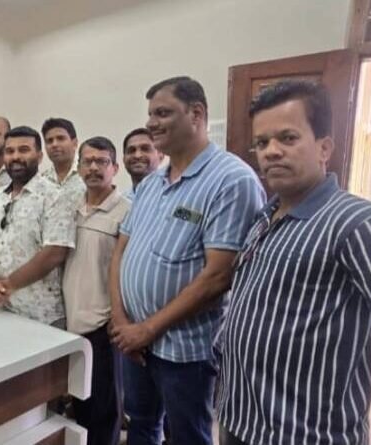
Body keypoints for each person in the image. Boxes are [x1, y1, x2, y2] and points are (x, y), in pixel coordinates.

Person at [218, 80, 371, 445]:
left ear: (325, 148)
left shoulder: (362, 224)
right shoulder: (265, 217)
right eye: (262, 142)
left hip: (306, 435)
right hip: (240, 420)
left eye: (288, 138)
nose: (271, 152)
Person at [108, 76, 265, 445]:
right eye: (150, 114)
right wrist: (122, 321)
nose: (151, 123)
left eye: (162, 113)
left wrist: (146, 330)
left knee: (187, 436)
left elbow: (218, 277)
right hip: (133, 340)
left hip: (185, 351)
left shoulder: (231, 180)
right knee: (141, 424)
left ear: (196, 114)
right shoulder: (151, 182)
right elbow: (120, 252)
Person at [0, 126, 75, 327]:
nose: (16, 156)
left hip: (40, 315)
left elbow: (55, 252)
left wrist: (8, 285)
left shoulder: (55, 196)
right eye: (10, 151)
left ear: (39, 156)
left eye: (24, 150)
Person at [62, 136, 128, 445]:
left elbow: (129, 270)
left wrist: (119, 315)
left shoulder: (126, 212)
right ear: (78, 168)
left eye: (102, 161)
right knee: (79, 407)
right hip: (69, 324)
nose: (93, 168)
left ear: (115, 168)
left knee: (104, 412)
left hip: (103, 326)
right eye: (87, 161)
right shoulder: (70, 208)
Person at [40, 117, 86, 209]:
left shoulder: (88, 175)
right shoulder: (41, 181)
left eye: (60, 138)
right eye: (49, 141)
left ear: (75, 143)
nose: (54, 144)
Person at [122, 128, 163, 201]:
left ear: (161, 156)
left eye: (145, 149)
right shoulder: (122, 202)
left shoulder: (171, 196)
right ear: (124, 159)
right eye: (131, 150)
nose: (137, 155)